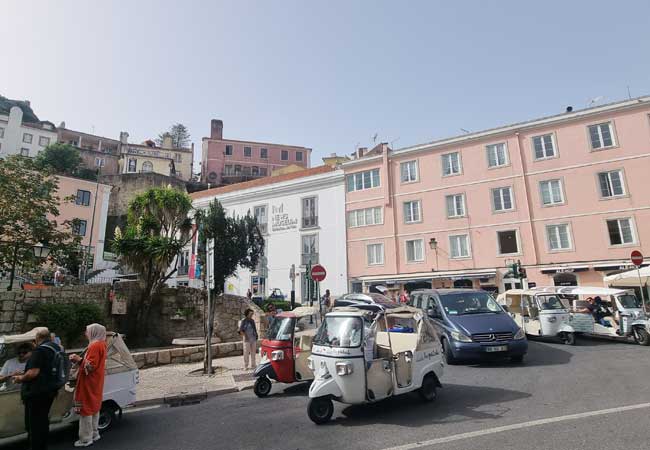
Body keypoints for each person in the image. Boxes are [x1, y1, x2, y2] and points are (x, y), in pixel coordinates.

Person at [12, 327, 62, 450]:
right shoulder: (55, 348)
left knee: (34, 426)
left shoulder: (40, 351)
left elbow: (33, 372)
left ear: (37, 339)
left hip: (37, 393)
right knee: (43, 422)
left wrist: (20, 378)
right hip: (50, 391)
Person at [69, 324, 107, 447]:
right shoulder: (102, 344)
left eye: (87, 330)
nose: (86, 333)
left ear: (93, 332)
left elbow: (90, 366)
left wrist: (77, 359)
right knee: (94, 407)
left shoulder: (94, 345)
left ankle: (85, 438)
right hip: (96, 381)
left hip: (87, 382)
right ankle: (95, 434)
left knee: (85, 410)